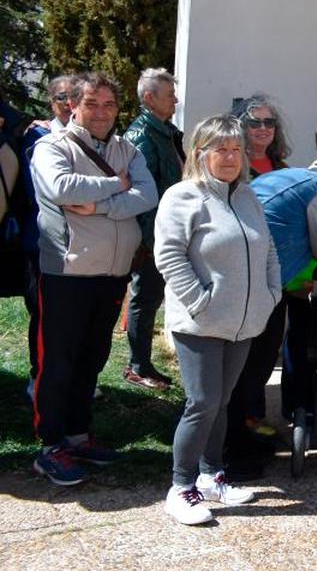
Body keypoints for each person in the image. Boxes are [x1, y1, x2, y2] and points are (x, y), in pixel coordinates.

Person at [29, 72, 158, 485]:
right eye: (92, 104)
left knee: (92, 359)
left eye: (109, 105)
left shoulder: (127, 149)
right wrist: (115, 185)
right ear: (74, 106)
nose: (101, 112)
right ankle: (50, 447)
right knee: (58, 363)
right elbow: (64, 188)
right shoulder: (52, 146)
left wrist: (99, 205)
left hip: (114, 272)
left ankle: (78, 436)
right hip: (67, 272)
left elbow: (148, 194)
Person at [155, 115, 281, 525]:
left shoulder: (247, 196)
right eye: (220, 149)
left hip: (244, 323)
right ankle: (181, 487)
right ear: (200, 153)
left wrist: (269, 295)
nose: (229, 157)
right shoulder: (182, 197)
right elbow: (169, 256)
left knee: (222, 402)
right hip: (200, 323)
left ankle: (211, 476)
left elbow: (269, 251)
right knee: (202, 402)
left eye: (236, 149)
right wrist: (199, 301)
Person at [225, 163, 317, 476]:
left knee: (246, 355)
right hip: (260, 273)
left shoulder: (290, 176)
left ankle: (239, 432)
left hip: (242, 262)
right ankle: (235, 445)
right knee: (257, 358)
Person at [122, 68, 185, 391]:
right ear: (149, 98)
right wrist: (151, 242)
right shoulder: (142, 136)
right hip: (152, 237)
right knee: (144, 298)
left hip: (166, 232)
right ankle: (138, 365)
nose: (176, 99)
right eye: (169, 94)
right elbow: (143, 194)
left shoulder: (166, 131)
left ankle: (142, 363)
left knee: (151, 298)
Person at [18, 77, 76, 398]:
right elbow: (40, 190)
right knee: (43, 314)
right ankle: (37, 376)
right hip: (43, 240)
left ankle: (69, 377)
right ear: (51, 102)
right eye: (62, 97)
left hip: (82, 244)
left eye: (74, 96)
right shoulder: (37, 135)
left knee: (72, 316)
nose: (69, 103)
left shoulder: (96, 138)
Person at [236, 93, 290, 178]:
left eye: (269, 122)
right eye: (255, 123)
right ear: (242, 127)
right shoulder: (234, 167)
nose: (263, 128)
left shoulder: (282, 168)